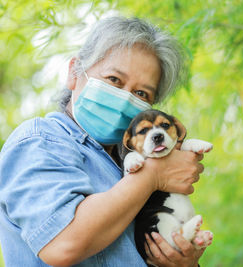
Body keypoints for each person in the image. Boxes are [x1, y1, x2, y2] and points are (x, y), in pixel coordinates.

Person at [0, 16, 209, 266]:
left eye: (141, 93)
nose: (124, 99)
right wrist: (153, 176)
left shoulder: (126, 163)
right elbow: (63, 244)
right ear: (74, 73)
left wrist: (182, 260)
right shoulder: (40, 140)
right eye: (114, 80)